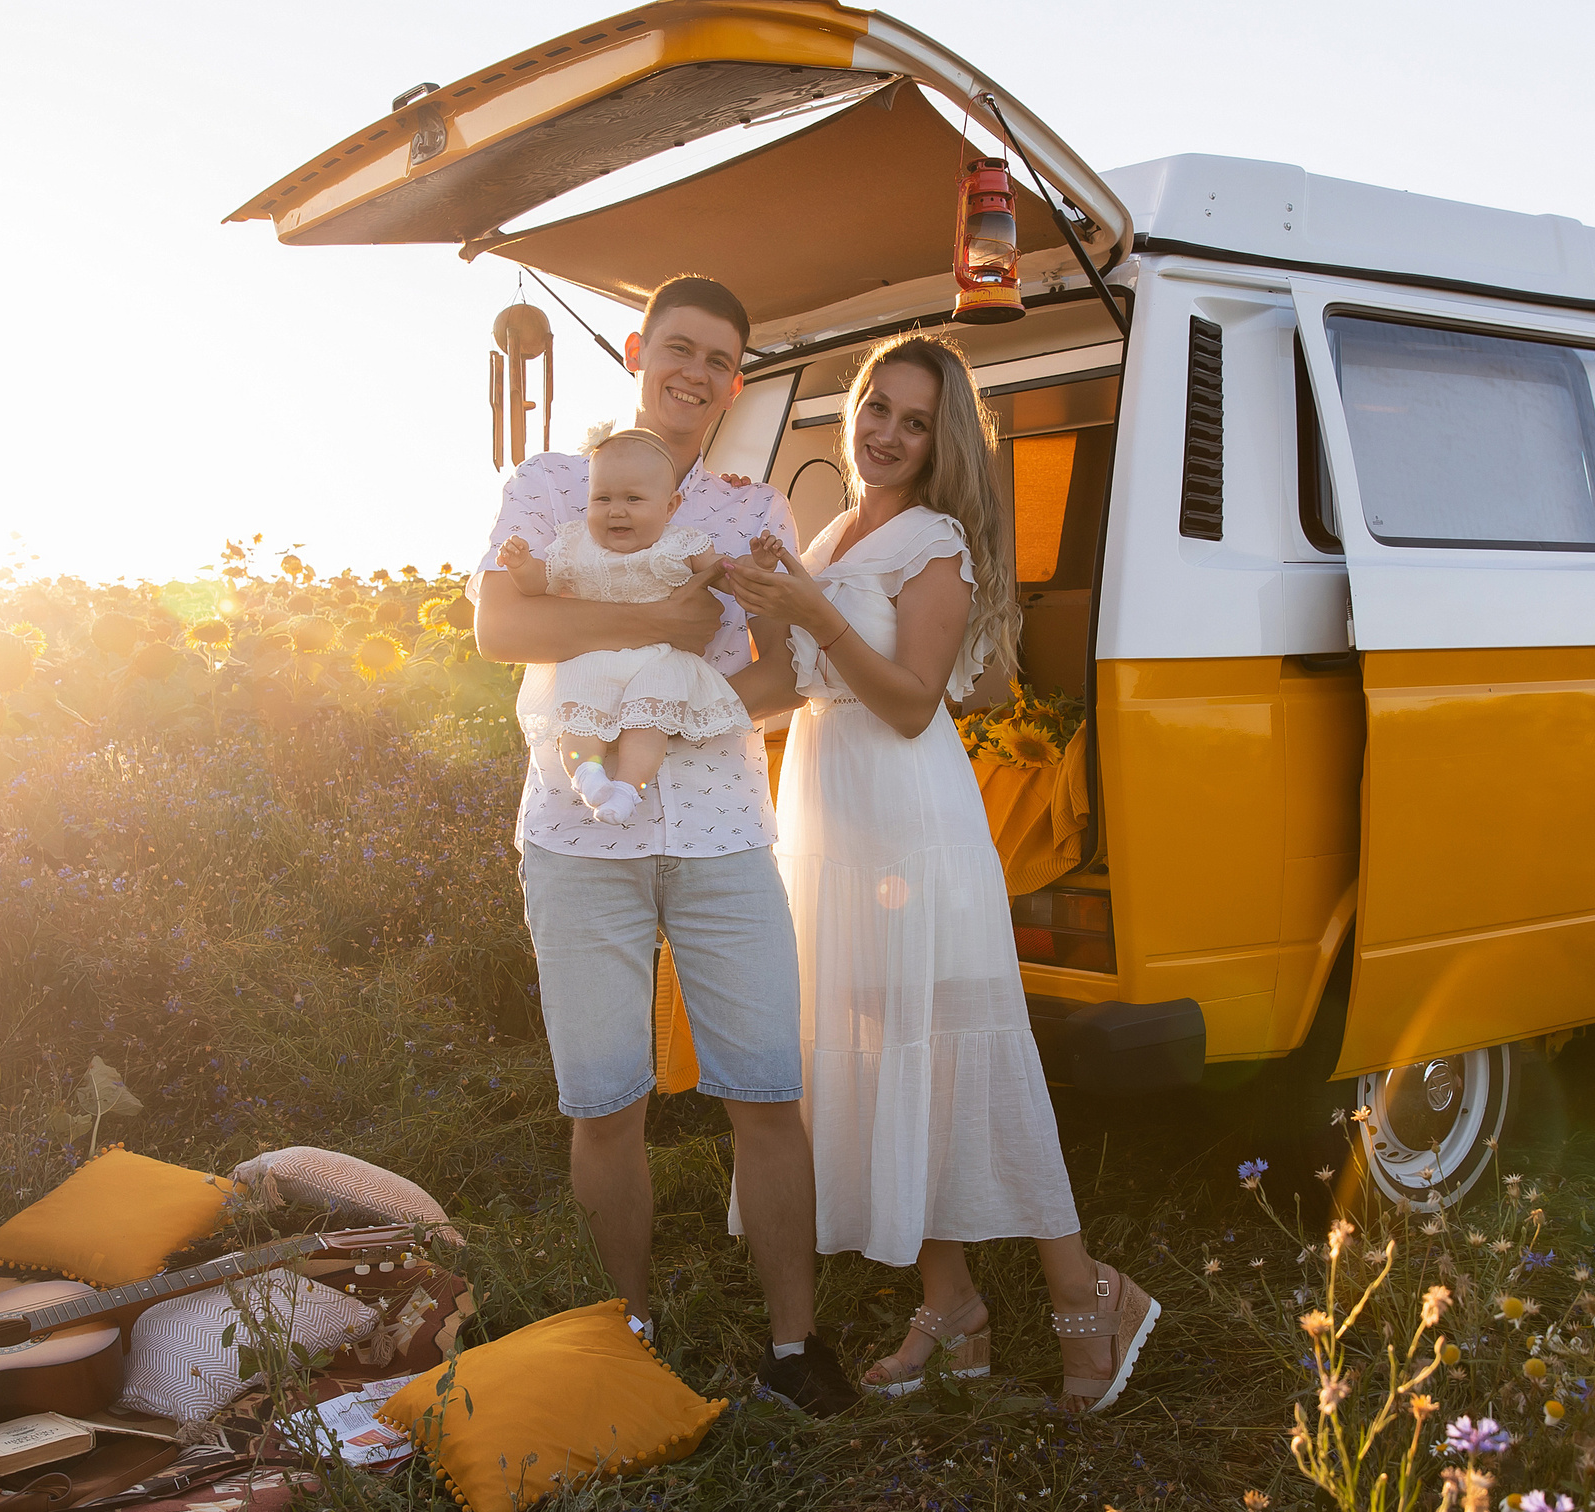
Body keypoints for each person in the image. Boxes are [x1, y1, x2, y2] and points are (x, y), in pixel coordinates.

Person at [724, 331, 1159, 1415]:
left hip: (913, 821)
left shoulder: (936, 543)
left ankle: (1088, 1294)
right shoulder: (828, 530)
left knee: (968, 1052)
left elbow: (916, 700)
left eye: (913, 422)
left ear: (939, 440)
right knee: (879, 1054)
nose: (885, 435)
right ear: (855, 409)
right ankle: (951, 1302)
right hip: (830, 818)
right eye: (877, 409)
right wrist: (649, 702)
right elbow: (788, 689)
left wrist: (813, 611)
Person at [469, 274, 857, 1418]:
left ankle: (795, 1346)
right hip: (575, 837)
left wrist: (688, 705)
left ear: (736, 379)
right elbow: (501, 626)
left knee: (766, 1093)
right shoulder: (547, 485)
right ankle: (625, 1336)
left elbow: (783, 675)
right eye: (678, 347)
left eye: (720, 359)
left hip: (725, 832)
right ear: (639, 350)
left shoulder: (755, 510)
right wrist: (662, 624)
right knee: (605, 1102)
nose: (696, 372)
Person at [498, 425, 752, 826]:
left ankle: (628, 787)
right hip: (592, 652)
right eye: (603, 499)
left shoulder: (681, 543)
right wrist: (519, 565)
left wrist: (761, 566)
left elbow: (728, 574)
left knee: (648, 725)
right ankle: (587, 775)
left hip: (659, 660)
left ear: (670, 507)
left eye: (633, 499)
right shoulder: (576, 544)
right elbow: (540, 583)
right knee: (578, 712)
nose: (616, 510)